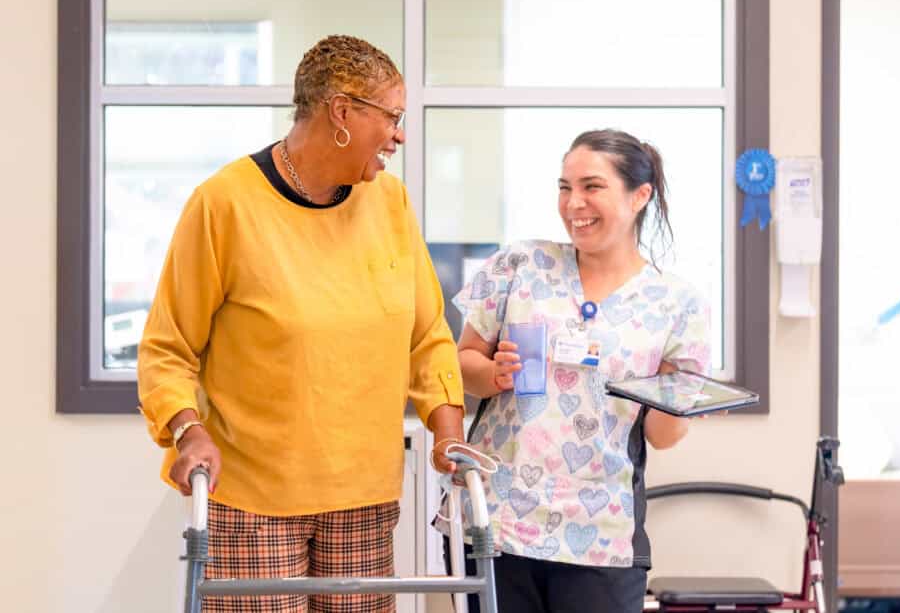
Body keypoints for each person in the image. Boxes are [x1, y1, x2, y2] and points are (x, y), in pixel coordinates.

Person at [137, 34, 466, 613]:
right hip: (256, 499)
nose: (399, 134)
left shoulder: (390, 204)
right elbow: (168, 349)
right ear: (342, 112)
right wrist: (188, 430)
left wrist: (448, 433)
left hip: (364, 497)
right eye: (391, 116)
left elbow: (428, 338)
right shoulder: (225, 205)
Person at [442, 129, 711, 613]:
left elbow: (662, 435)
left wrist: (684, 404)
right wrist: (492, 373)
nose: (573, 204)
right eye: (565, 188)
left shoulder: (676, 303)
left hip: (600, 534)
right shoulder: (522, 263)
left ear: (640, 196)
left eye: (592, 187)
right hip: (499, 521)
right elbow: (462, 364)